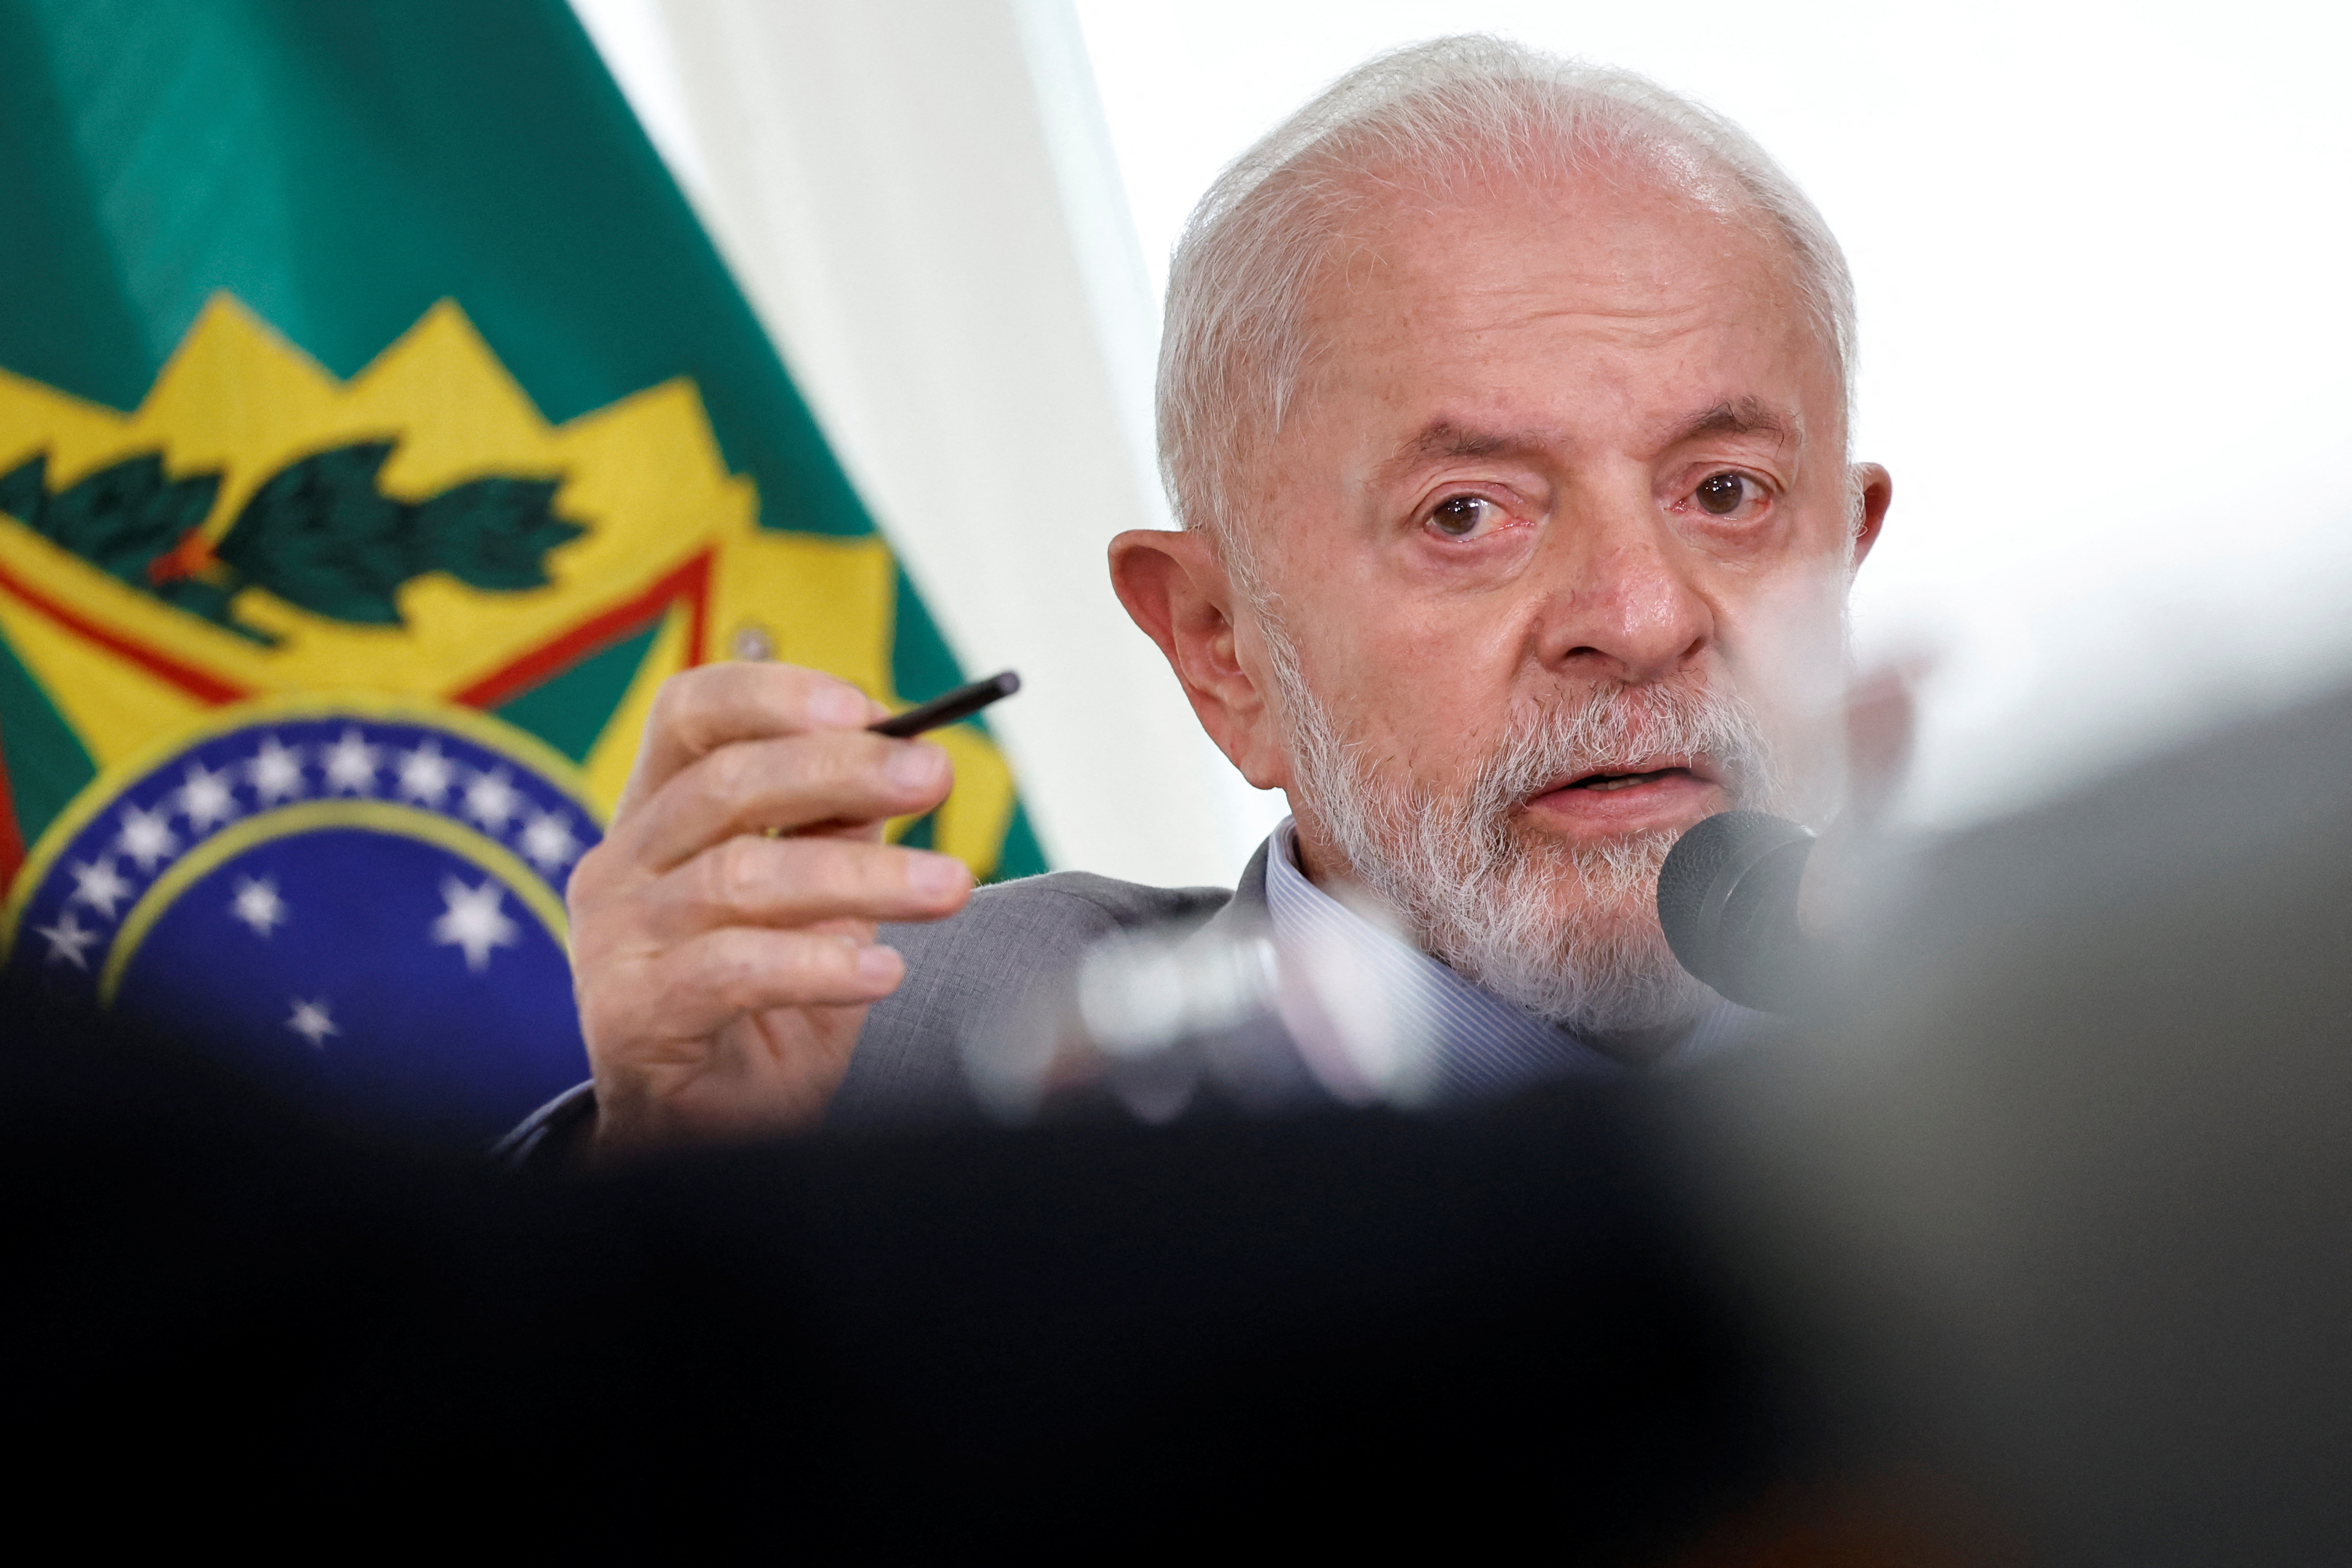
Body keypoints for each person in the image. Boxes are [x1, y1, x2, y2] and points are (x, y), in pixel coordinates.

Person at [520, 35, 1893, 1160]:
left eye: (1725, 493)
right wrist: (672, 1195)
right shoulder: (888, 1071)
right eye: (1464, 514)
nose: (1640, 616)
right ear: (1219, 647)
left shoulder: (2068, 1015)